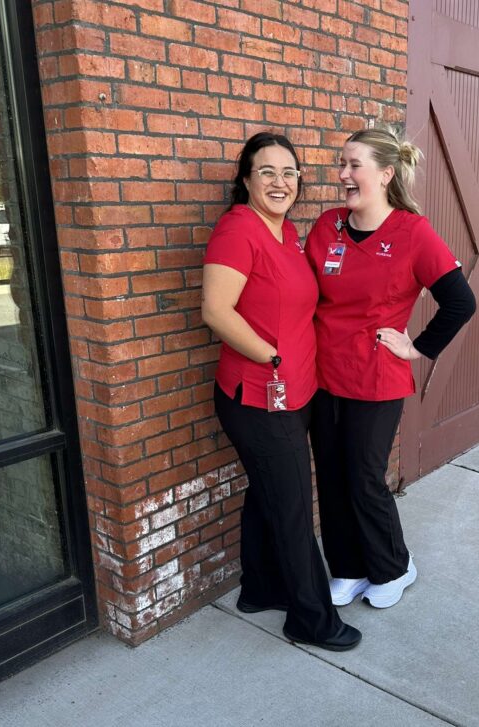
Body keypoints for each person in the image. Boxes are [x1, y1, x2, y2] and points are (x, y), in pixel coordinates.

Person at [305, 126, 476, 609]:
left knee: (362, 476)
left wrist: (416, 346)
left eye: (354, 164)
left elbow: (460, 302)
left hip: (375, 378)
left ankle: (393, 567)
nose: (343, 174)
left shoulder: (412, 232)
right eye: (342, 164)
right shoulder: (328, 227)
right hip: (322, 376)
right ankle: (349, 568)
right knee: (332, 475)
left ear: (385, 174)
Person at [201, 132, 361, 651]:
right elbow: (216, 311)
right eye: (266, 171)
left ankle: (259, 589)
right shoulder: (237, 231)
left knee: (267, 495)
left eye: (289, 172)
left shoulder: (288, 233)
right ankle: (311, 620)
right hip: (257, 396)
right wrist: (271, 355)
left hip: (295, 394)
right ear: (245, 179)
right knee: (292, 506)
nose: (280, 181)